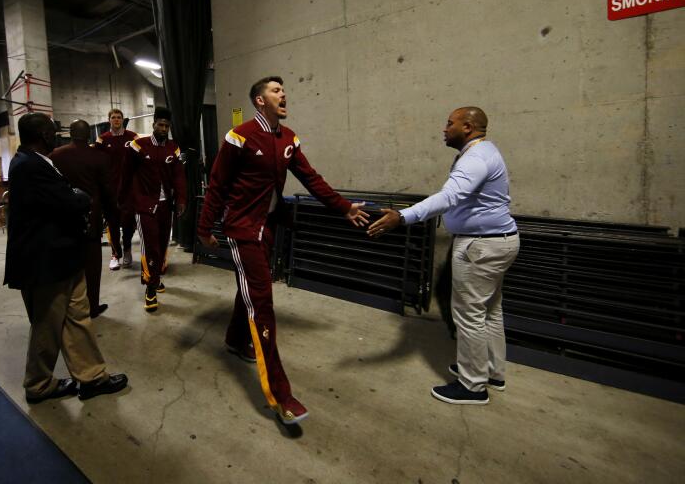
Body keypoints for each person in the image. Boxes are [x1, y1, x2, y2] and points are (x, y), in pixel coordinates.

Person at [197, 76, 369, 425]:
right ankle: (280, 396)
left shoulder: (288, 139)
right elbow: (217, 184)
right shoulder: (240, 136)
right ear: (259, 101)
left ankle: (233, 339)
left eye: (283, 90)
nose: (283, 94)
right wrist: (203, 228)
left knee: (249, 290)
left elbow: (311, 178)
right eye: (275, 91)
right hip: (242, 230)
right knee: (262, 304)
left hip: (268, 228)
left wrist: (343, 207)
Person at [368, 106, 519, 406]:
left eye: (450, 123)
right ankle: (491, 372)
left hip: (480, 246)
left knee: (470, 315)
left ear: (468, 126)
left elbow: (449, 197)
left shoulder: (475, 157)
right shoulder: (486, 152)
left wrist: (402, 217)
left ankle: (473, 385)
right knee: (490, 310)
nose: (444, 128)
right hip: (500, 242)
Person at [4, 112, 128, 403]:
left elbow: (66, 197)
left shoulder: (42, 162)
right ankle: (38, 384)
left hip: (64, 257)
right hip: (45, 261)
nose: (55, 134)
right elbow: (70, 200)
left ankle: (91, 377)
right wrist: (80, 197)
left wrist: (75, 196)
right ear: (43, 134)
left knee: (78, 318)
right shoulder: (28, 165)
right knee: (47, 324)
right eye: (51, 130)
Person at [119, 108, 186, 312]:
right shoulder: (138, 146)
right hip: (145, 206)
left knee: (162, 245)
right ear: (153, 124)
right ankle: (151, 288)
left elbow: (179, 177)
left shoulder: (173, 148)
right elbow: (126, 174)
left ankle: (154, 277)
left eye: (167, 126)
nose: (163, 129)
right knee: (151, 247)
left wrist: (182, 199)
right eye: (160, 125)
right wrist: (123, 201)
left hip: (166, 206)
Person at [51, 120, 116, 318]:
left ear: (70, 133)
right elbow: (107, 192)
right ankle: (93, 306)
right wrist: (112, 218)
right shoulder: (99, 157)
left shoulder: (56, 156)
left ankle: (66, 308)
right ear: (89, 135)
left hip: (63, 219)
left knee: (64, 266)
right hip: (91, 218)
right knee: (92, 266)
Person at [96, 108, 138, 271]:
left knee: (128, 223)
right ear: (109, 120)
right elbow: (97, 162)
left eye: (119, 117)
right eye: (113, 117)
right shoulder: (102, 139)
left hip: (128, 189)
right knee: (113, 223)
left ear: (122, 120)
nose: (116, 120)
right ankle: (115, 254)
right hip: (110, 188)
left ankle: (127, 250)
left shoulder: (133, 137)